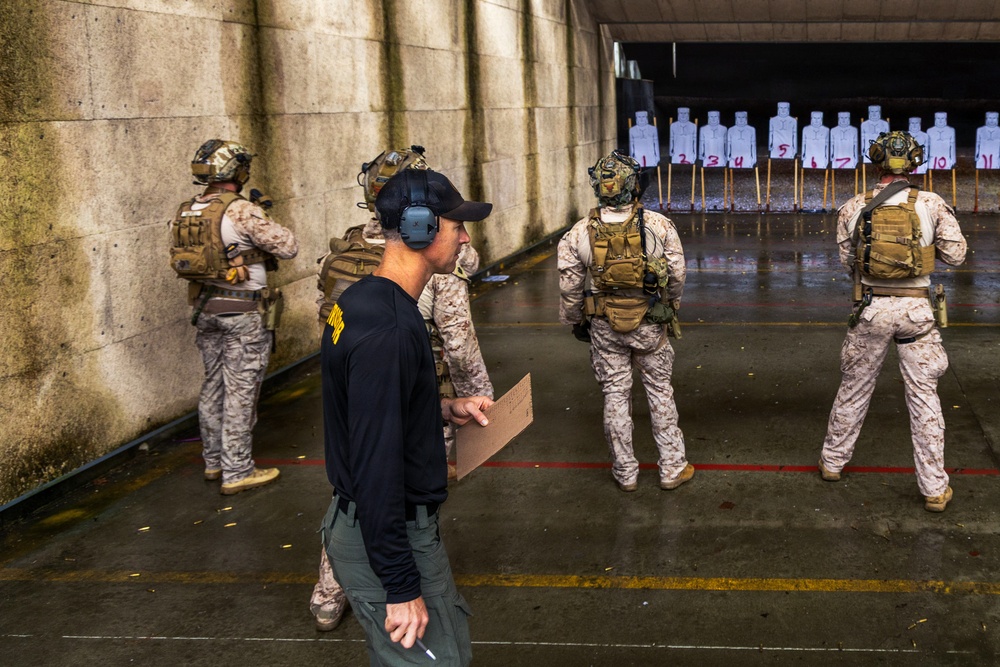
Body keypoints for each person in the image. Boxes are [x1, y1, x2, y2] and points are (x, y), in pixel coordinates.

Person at [309, 147, 493, 633]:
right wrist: (401, 588)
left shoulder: (364, 298)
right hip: (391, 530)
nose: (465, 237)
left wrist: (445, 407)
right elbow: (377, 466)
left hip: (364, 517)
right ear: (421, 229)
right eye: (457, 226)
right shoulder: (390, 329)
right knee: (436, 654)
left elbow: (370, 407)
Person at [819, 131, 967, 512]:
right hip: (917, 312)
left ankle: (833, 462)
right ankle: (934, 488)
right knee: (923, 398)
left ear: (875, 162)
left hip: (870, 309)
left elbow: (847, 261)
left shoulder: (854, 207)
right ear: (914, 162)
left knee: (854, 387)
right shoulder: (932, 203)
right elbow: (956, 256)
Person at [557, 150, 693, 492]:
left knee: (615, 395)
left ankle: (625, 473)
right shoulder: (659, 226)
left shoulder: (577, 234)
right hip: (649, 323)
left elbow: (570, 287)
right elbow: (676, 275)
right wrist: (669, 307)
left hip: (604, 327)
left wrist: (577, 321)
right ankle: (672, 468)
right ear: (633, 186)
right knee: (660, 392)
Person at [169, 139, 298, 495]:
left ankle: (213, 462)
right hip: (242, 313)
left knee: (213, 385)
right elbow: (288, 246)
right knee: (241, 390)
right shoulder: (240, 210)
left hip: (206, 309)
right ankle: (237, 470)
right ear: (236, 172)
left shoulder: (187, 210)